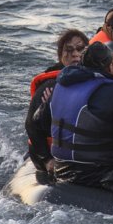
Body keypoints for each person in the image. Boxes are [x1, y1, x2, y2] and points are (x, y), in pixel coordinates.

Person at [44, 42, 113, 191]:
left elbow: (38, 121)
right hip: (99, 175)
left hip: (60, 168)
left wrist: (45, 161)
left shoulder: (60, 85)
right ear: (110, 67)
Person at [25, 29, 89, 173]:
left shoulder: (93, 81)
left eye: (80, 49)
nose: (75, 54)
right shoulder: (49, 86)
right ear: (61, 55)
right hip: (48, 152)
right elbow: (31, 125)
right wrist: (47, 159)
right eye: (69, 50)